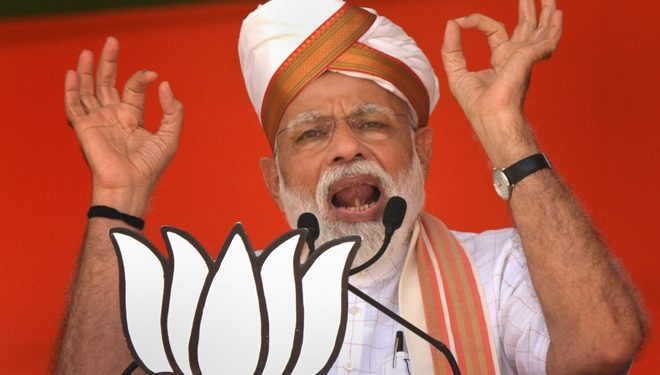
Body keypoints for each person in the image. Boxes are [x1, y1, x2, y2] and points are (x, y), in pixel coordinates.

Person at [56, 0, 646, 374]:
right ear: (275, 180)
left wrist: (505, 133)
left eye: (370, 123)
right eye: (311, 134)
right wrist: (118, 197)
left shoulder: (502, 270)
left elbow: (601, 349)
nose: (345, 146)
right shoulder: (231, 302)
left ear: (422, 152)